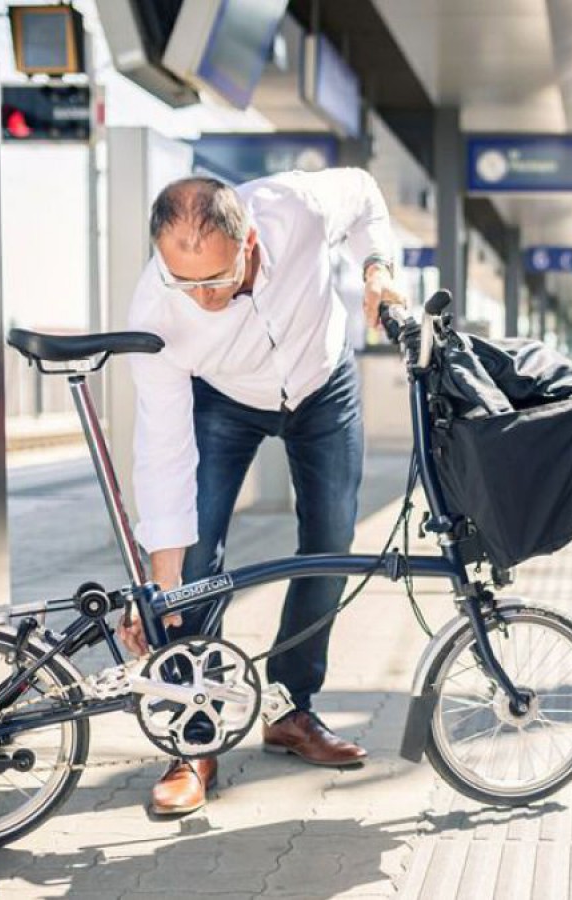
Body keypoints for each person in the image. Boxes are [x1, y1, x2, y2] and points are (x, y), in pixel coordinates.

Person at [116, 171, 405, 815]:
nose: (199, 298)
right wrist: (163, 581)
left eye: (212, 281)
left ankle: (289, 709)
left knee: (330, 543)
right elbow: (162, 451)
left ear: (248, 243)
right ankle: (195, 737)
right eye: (182, 281)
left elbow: (363, 192)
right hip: (225, 400)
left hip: (322, 383)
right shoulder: (157, 309)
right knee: (193, 563)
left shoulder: (294, 207)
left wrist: (378, 267)